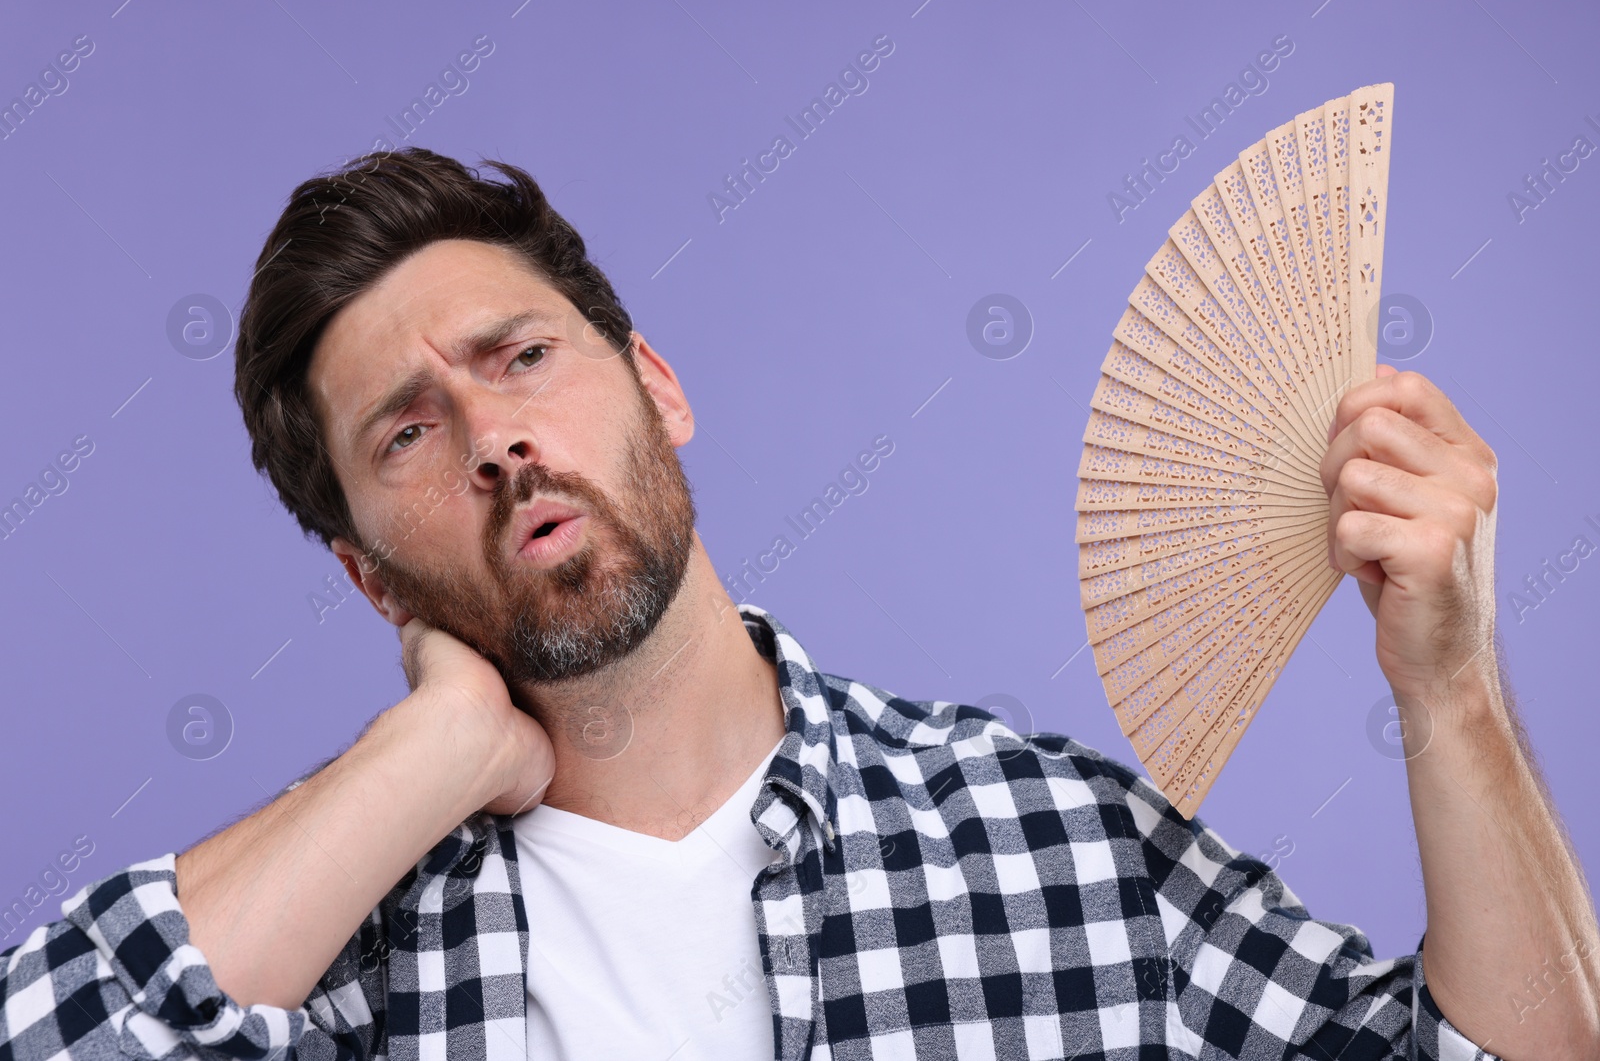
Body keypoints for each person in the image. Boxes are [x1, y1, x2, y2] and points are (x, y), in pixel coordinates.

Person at [1, 148, 1594, 1061]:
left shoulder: (1054, 853)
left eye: (521, 356)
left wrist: (1449, 687)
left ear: (659, 389)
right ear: (361, 573)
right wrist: (428, 754)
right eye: (405, 433)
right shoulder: (340, 950)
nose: (493, 439)